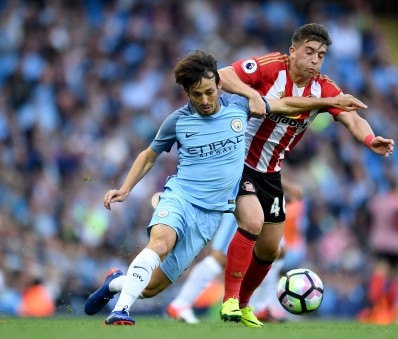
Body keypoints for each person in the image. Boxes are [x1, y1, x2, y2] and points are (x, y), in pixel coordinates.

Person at [83, 49, 368, 326]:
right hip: (180, 197)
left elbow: (286, 105)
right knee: (160, 244)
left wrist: (332, 102)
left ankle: (116, 282)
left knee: (151, 287)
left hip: (209, 216)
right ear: (187, 94)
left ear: (220, 85)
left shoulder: (239, 107)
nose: (205, 100)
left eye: (210, 92)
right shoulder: (178, 121)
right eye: (197, 95)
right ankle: (121, 311)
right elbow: (148, 155)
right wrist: (125, 188)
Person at [216, 23, 395, 328]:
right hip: (238, 160)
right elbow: (222, 75)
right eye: (309, 52)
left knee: (271, 248)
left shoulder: (323, 89)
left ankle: (245, 305)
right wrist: (251, 94)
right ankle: (229, 300)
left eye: (321, 55)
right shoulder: (271, 67)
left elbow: (352, 117)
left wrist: (369, 139)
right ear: (293, 51)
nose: (315, 60)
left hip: (271, 172)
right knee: (252, 223)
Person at [165, 179, 303, 324]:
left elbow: (269, 166)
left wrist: (276, 190)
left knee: (276, 251)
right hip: (245, 195)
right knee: (220, 257)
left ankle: (261, 307)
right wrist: (285, 186)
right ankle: (180, 304)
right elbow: (250, 164)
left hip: (265, 197)